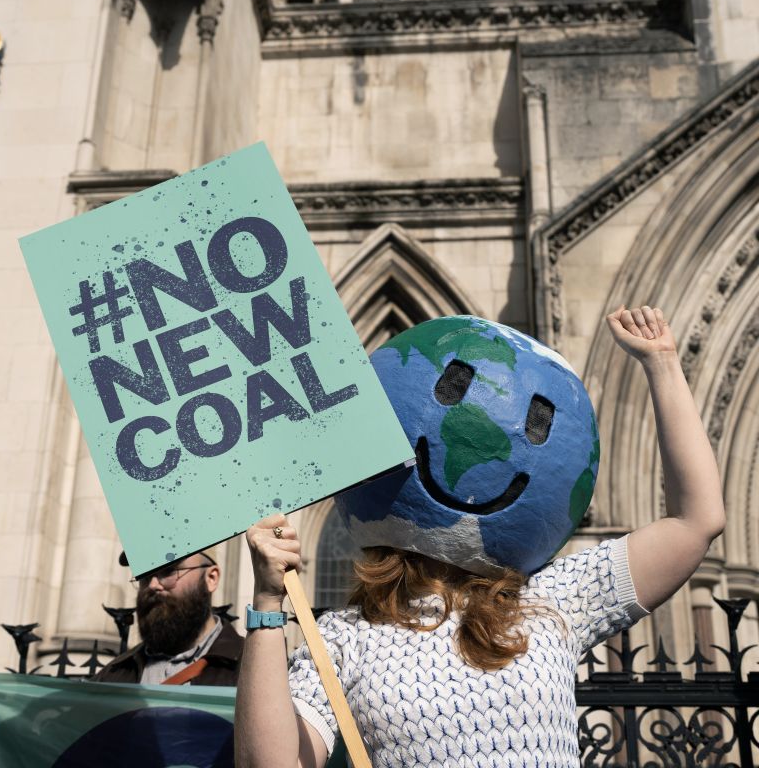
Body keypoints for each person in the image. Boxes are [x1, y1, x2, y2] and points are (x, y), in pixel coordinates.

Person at [234, 305, 725, 767]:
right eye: (450, 392)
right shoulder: (345, 640)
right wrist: (266, 602)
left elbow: (695, 521)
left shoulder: (557, 603)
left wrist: (662, 365)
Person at [93, 549, 243, 686]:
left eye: (168, 570)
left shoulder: (253, 667)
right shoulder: (111, 676)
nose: (152, 585)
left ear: (211, 578)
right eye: (144, 575)